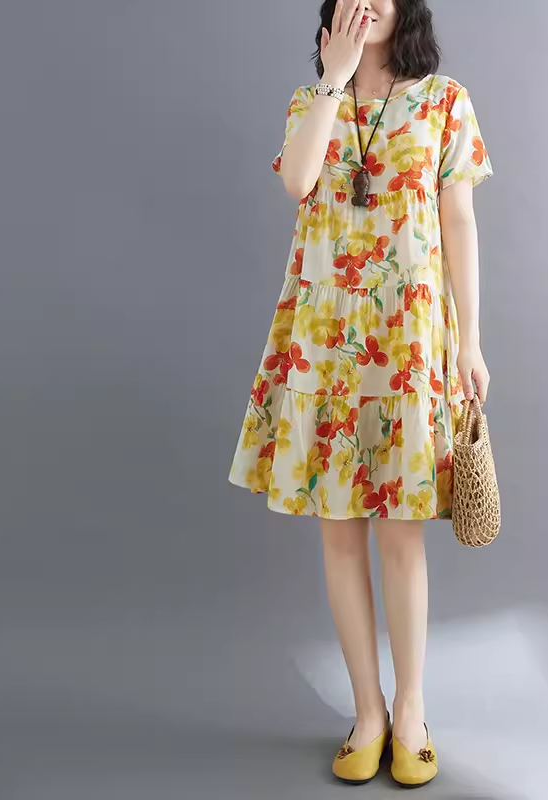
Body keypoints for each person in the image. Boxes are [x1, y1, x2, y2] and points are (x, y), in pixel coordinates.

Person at [229, 0, 492, 787]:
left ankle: (410, 711)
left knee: (401, 532)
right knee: (339, 528)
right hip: (324, 336)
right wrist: (334, 79)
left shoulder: (445, 102)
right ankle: (368, 712)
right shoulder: (309, 103)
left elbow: (458, 221)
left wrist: (470, 340)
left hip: (407, 338)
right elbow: (298, 182)